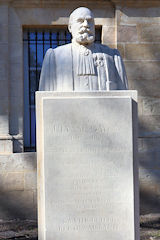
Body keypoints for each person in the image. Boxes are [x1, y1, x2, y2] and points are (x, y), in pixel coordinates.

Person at [39, 7, 128, 91]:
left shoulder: (112, 56)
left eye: (90, 21)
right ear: (70, 27)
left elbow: (124, 97)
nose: (86, 25)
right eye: (80, 21)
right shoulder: (55, 56)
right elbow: (44, 98)